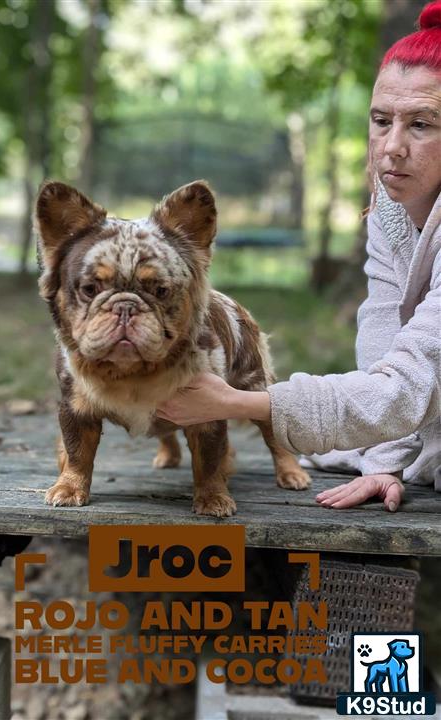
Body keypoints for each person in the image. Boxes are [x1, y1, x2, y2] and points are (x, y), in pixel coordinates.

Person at [156, 0, 441, 513]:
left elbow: (417, 375)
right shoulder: (392, 207)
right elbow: (383, 339)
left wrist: (238, 403)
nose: (391, 147)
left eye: (422, 124)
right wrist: (382, 464)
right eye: (381, 120)